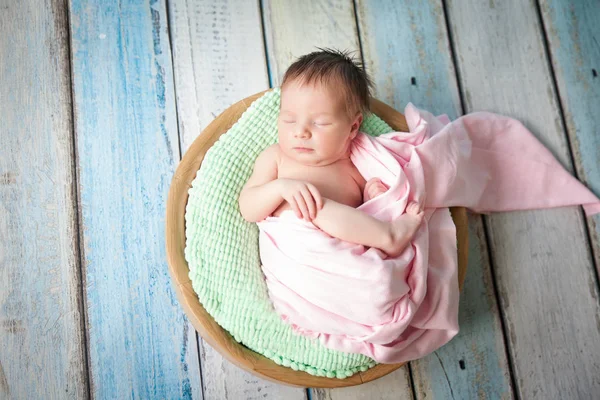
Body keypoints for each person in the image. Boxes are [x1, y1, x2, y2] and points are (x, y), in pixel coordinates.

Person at [238, 48, 423, 257]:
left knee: (319, 208)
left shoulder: (356, 168)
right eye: (289, 120)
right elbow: (248, 208)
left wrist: (373, 196)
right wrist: (280, 188)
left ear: (353, 128)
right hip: (293, 251)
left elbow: (364, 217)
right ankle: (388, 237)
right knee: (315, 207)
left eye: (320, 123)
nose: (300, 132)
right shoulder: (276, 157)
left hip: (341, 256)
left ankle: (386, 235)